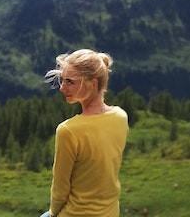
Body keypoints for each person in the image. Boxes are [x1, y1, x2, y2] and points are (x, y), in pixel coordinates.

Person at [40, 49, 129, 217]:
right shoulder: (121, 117)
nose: (62, 88)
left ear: (93, 84)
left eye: (70, 82)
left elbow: (60, 189)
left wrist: (53, 212)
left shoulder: (68, 131)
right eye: (62, 80)